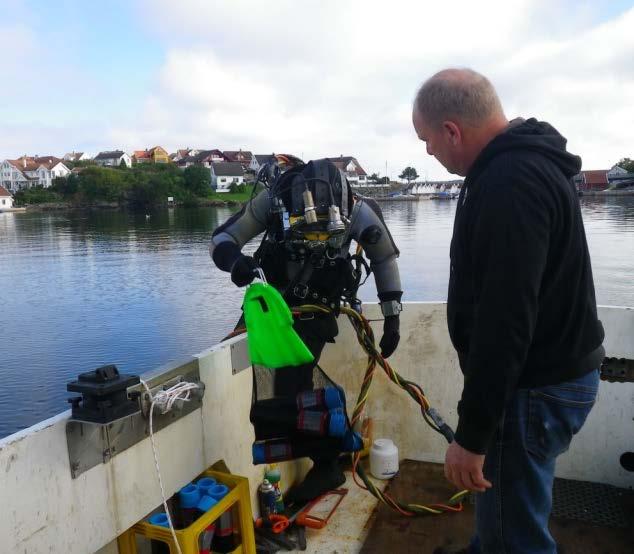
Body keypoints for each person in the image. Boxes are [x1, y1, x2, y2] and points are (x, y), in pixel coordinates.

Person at [412, 69, 605, 554]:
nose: (428, 152)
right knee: (507, 516)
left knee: (513, 540)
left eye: (427, 140)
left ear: (452, 130)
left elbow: (506, 320)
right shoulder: (521, 166)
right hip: (550, 378)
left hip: (531, 390)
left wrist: (473, 437)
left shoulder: (509, 183)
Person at [210, 158, 402, 503]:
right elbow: (222, 239)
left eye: (325, 233)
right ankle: (325, 456)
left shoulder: (359, 211)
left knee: (288, 390)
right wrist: (236, 263)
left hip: (317, 311)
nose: (316, 238)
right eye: (308, 230)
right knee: (284, 391)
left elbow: (384, 257)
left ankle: (327, 461)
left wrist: (392, 317)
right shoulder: (273, 200)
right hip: (272, 310)